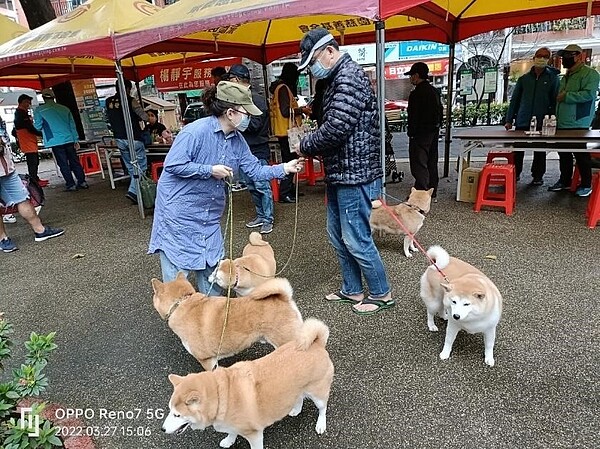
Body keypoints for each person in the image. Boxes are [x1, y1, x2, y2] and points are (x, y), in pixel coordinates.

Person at [148, 81, 304, 294]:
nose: (250, 118)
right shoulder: (195, 132)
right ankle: (180, 323)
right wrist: (209, 170)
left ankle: (214, 321)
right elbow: (173, 165)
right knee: (177, 281)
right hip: (178, 215)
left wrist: (285, 168)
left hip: (208, 216)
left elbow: (255, 171)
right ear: (231, 113)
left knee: (212, 273)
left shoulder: (237, 140)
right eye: (246, 112)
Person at [293, 27, 393, 316]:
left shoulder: (348, 78)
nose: (312, 69)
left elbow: (336, 128)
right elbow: (332, 120)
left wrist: (305, 144)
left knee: (356, 237)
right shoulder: (336, 79)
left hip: (355, 172)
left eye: (313, 62)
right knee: (338, 235)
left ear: (329, 51)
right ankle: (352, 288)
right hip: (341, 170)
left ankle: (381, 292)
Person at [227, 64, 275, 235]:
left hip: (258, 148)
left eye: (232, 80)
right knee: (251, 186)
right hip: (244, 149)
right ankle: (261, 215)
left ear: (237, 80)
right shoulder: (241, 100)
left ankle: (268, 219)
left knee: (262, 185)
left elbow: (255, 126)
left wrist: (236, 122)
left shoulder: (257, 99)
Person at [548, 44, 600, 197]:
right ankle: (564, 180)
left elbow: (589, 94)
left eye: (568, 57)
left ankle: (586, 184)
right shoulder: (567, 75)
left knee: (580, 153)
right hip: (562, 120)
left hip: (579, 121)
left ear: (579, 56)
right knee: (563, 152)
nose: (564, 60)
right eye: (563, 57)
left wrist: (567, 96)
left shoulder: (590, 74)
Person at [505, 47, 559, 185]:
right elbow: (515, 100)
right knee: (518, 149)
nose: (541, 59)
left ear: (549, 59)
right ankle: (515, 173)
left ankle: (538, 176)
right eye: (539, 55)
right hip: (523, 119)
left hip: (543, 121)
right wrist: (509, 119)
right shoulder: (524, 79)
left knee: (540, 150)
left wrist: (553, 118)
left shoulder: (553, 79)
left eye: (545, 56)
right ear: (534, 57)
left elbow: (555, 100)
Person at [0, 139, 63, 252]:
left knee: (22, 198)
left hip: (6, 166)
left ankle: (3, 240)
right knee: (22, 199)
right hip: (6, 165)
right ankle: (40, 230)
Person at [34, 88, 87, 192]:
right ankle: (82, 182)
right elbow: (72, 125)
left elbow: (38, 126)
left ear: (43, 97)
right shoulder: (64, 108)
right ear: (53, 97)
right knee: (75, 161)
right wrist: (76, 139)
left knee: (63, 164)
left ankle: (70, 184)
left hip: (55, 141)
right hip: (69, 139)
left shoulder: (39, 110)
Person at [105, 80, 148, 204]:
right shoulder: (131, 100)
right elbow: (144, 117)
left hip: (119, 138)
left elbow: (108, 118)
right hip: (134, 137)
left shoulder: (108, 102)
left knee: (130, 166)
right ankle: (133, 191)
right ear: (128, 88)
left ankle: (137, 192)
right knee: (141, 166)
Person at [269, 62, 307, 203]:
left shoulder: (279, 88)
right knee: (289, 161)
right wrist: (302, 110)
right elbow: (286, 111)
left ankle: (289, 190)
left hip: (283, 131)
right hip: (287, 132)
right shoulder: (283, 88)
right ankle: (285, 192)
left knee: (290, 159)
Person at [405, 62, 443, 198]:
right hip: (433, 131)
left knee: (419, 163)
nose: (410, 79)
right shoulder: (434, 91)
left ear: (416, 75)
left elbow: (413, 116)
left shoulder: (416, 94)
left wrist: (412, 133)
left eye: (411, 76)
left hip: (420, 134)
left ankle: (421, 191)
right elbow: (441, 112)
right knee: (432, 161)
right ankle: (432, 189)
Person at [14, 94, 47, 187]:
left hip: (29, 140)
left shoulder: (22, 113)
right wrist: (41, 134)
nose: (29, 104)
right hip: (27, 141)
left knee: (35, 160)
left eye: (30, 102)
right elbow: (29, 128)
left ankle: (35, 178)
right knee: (33, 161)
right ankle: (34, 182)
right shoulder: (20, 113)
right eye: (27, 102)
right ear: (22, 102)